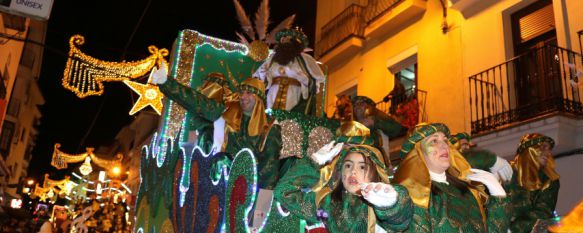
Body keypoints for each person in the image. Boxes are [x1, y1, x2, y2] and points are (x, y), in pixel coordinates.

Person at [263, 121, 413, 232]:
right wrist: (313, 162)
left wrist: (391, 203)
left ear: (375, 172)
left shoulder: (378, 205)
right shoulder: (326, 203)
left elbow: (400, 219)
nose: (353, 171)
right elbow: (284, 192)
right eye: (348, 165)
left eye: (362, 167)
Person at [152, 72, 283, 189]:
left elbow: (269, 167)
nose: (243, 97)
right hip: (222, 174)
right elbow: (197, 102)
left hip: (251, 184)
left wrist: (262, 200)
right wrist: (166, 83)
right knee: (220, 158)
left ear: (258, 98)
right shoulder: (228, 112)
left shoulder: (270, 126)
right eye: (241, 93)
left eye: (249, 93)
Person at [394, 123, 509, 232]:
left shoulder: (467, 190)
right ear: (417, 152)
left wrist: (498, 195)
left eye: (445, 140)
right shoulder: (412, 197)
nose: (444, 145)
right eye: (434, 141)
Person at [254, 28, 326, 115]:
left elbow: (319, 79)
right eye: (283, 40)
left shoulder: (305, 59)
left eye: (288, 40)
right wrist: (263, 74)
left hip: (294, 92)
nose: (285, 42)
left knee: (290, 120)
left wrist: (303, 79)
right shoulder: (273, 58)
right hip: (273, 92)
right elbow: (258, 76)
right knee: (270, 119)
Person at [505, 133, 560, 233]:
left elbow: (542, 212)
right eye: (543, 148)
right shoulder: (505, 173)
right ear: (529, 150)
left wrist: (511, 230)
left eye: (549, 150)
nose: (548, 153)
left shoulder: (549, 180)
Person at [352, 96, 404, 167]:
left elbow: (397, 129)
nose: (358, 107)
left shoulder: (376, 120)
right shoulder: (352, 127)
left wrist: (375, 123)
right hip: (357, 163)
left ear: (367, 106)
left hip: (377, 163)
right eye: (355, 105)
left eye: (361, 104)